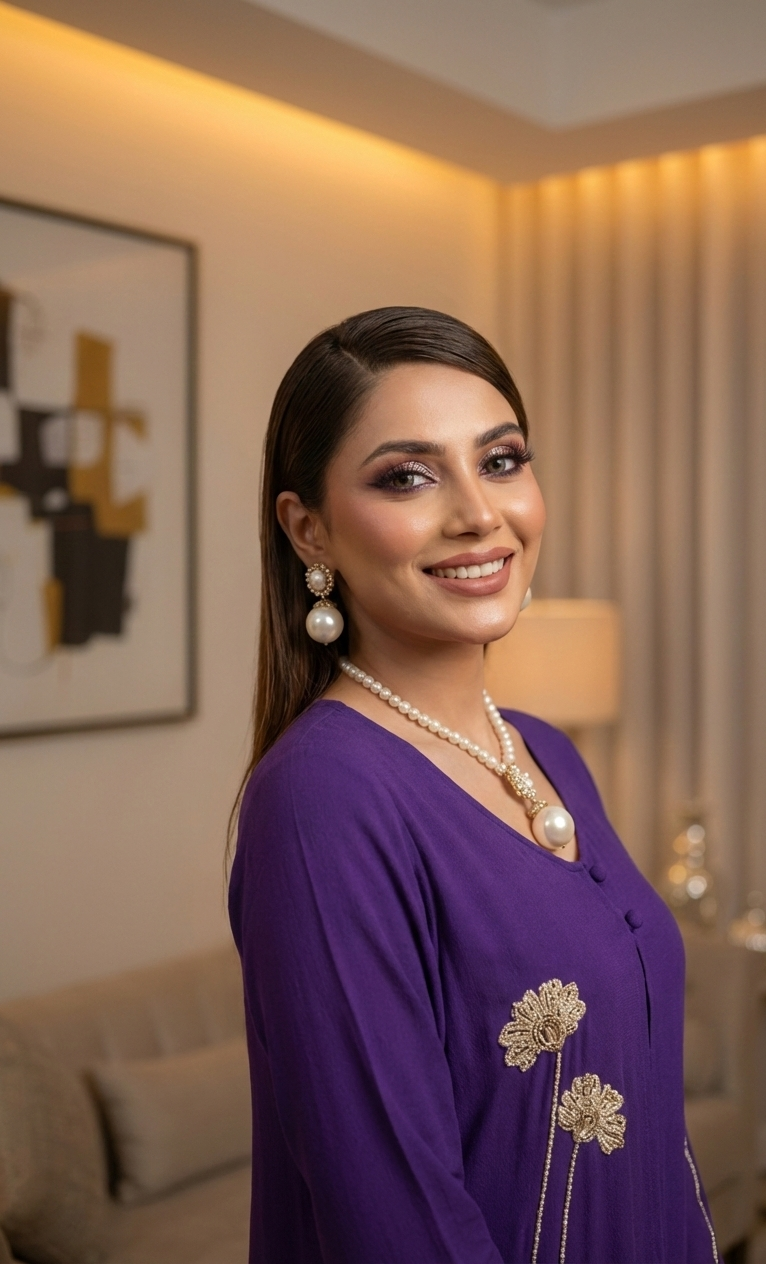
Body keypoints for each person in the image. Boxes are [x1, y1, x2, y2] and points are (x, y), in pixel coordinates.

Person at [228, 307, 719, 1264]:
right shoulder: (323, 800)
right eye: (408, 476)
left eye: (500, 460)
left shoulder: (544, 751)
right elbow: (393, 1222)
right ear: (310, 529)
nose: (478, 513)